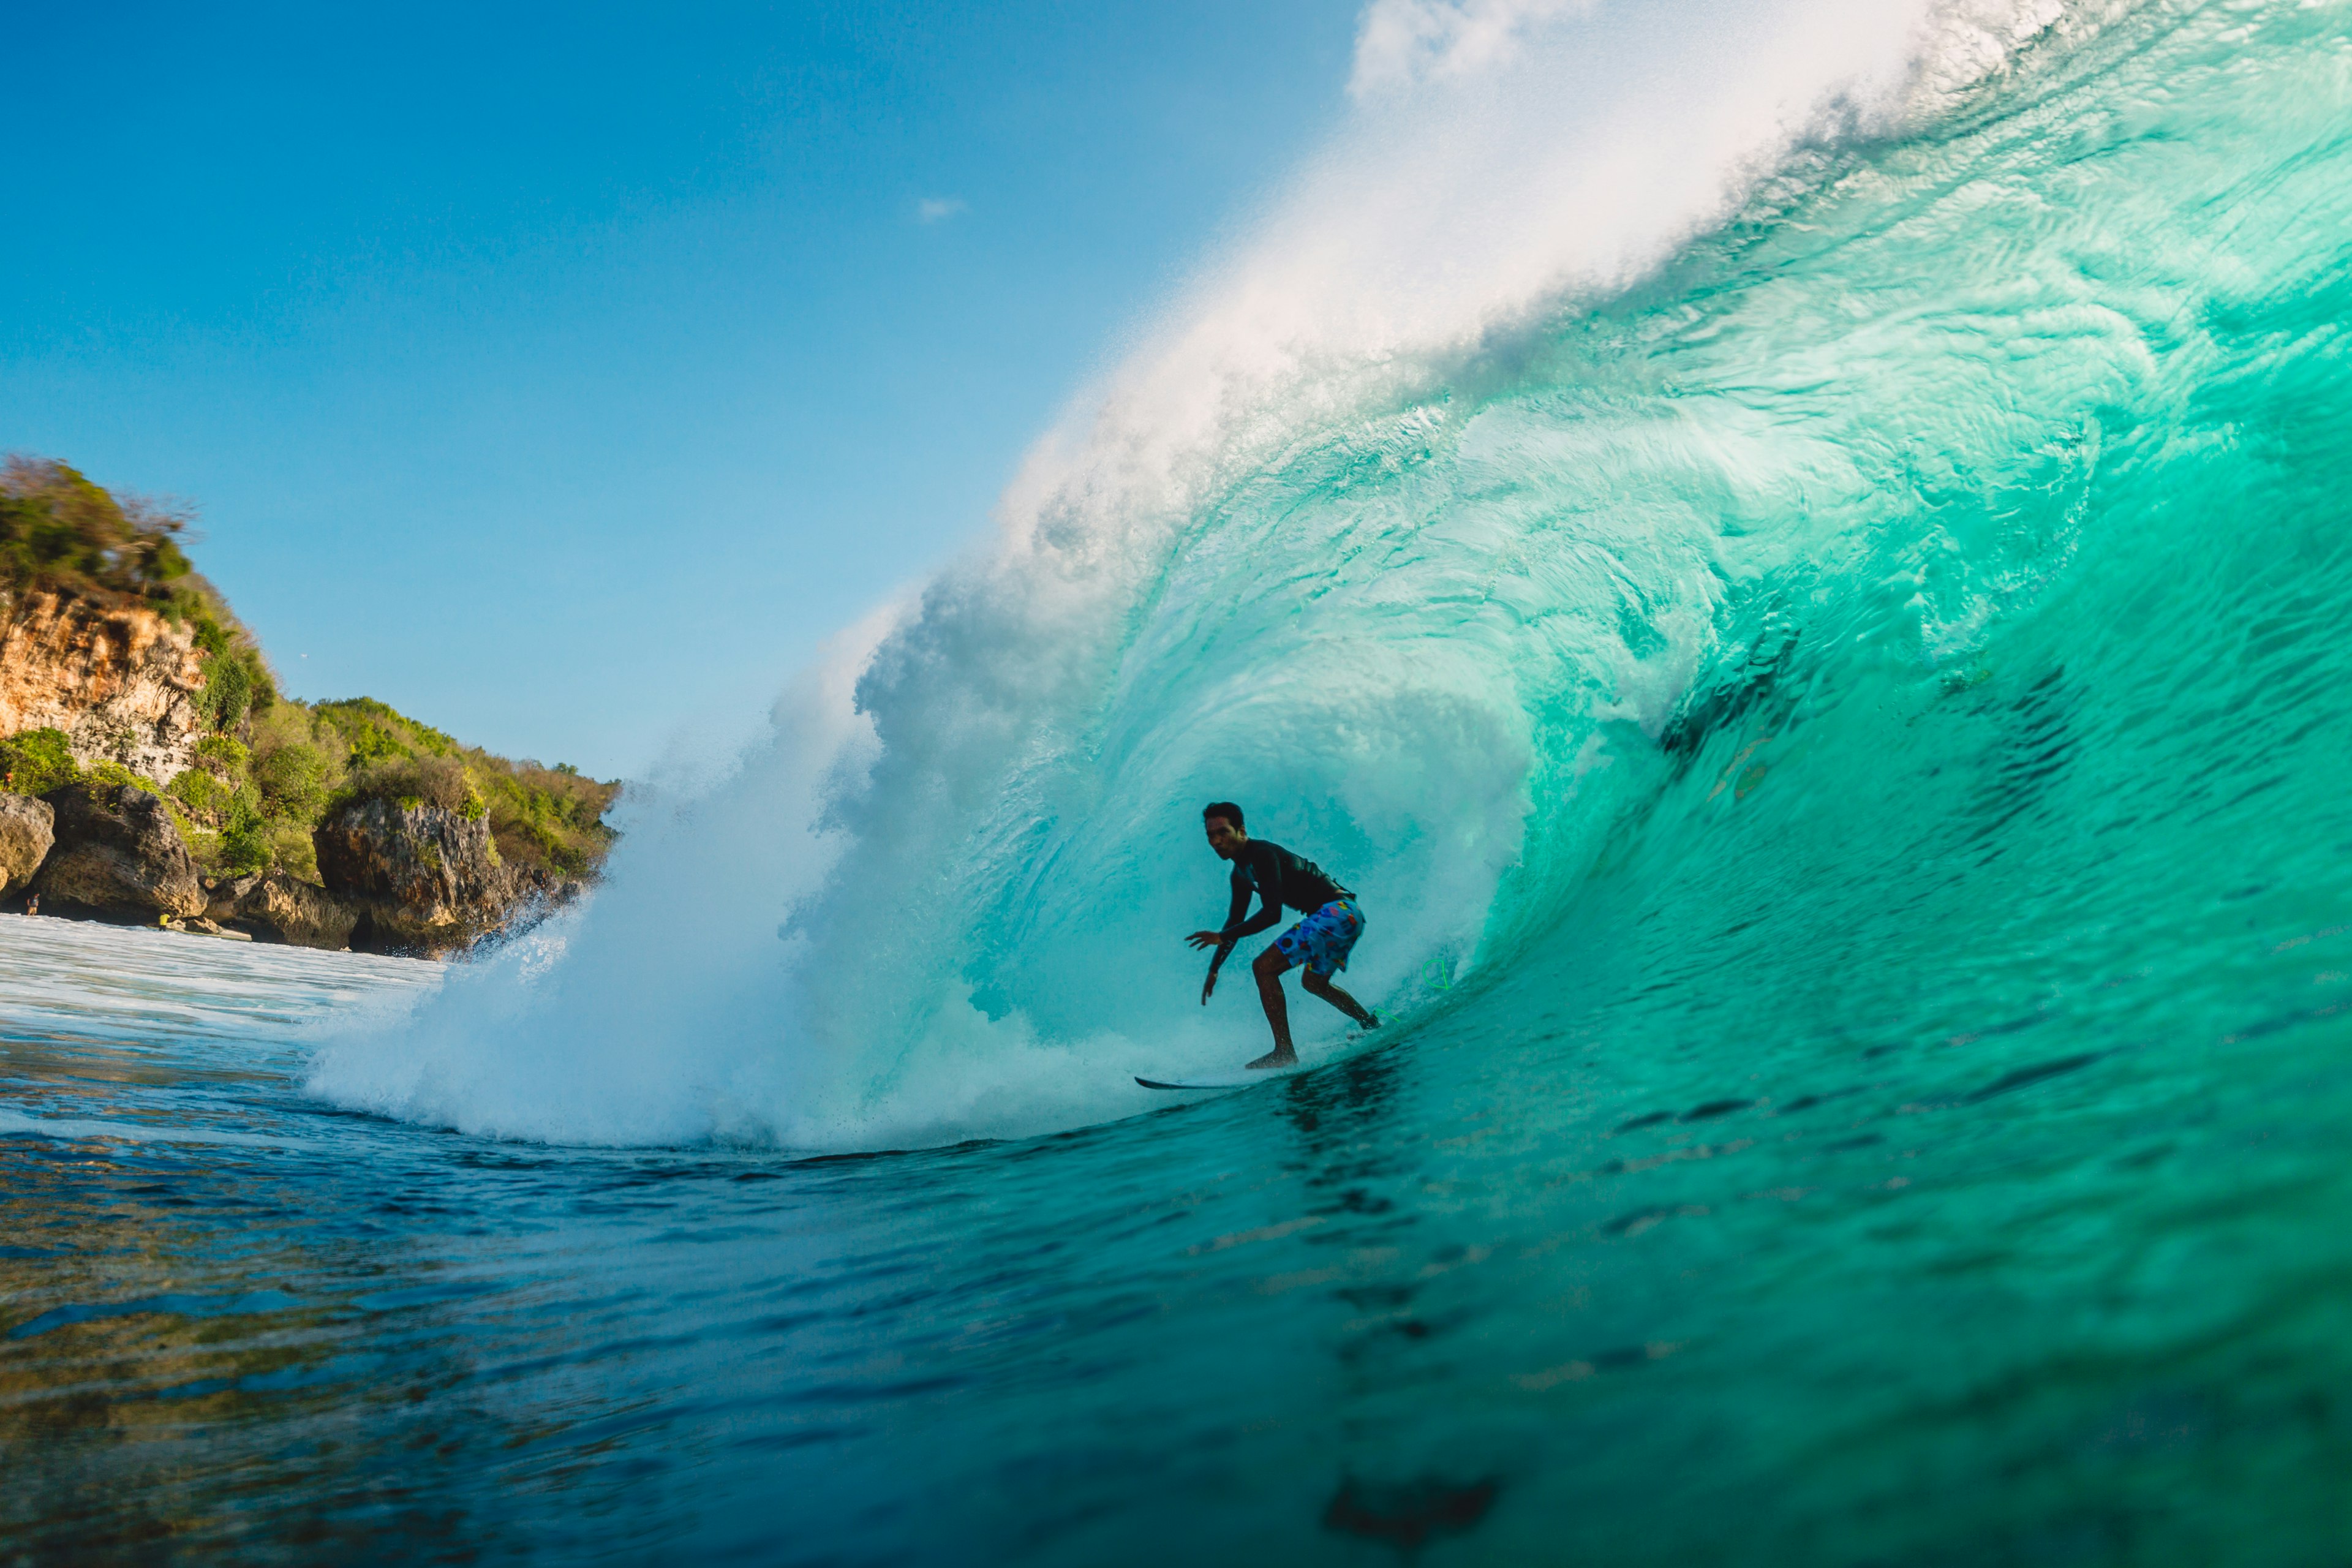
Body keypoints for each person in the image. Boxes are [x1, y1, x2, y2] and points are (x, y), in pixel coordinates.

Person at [1186, 801, 1377, 1069]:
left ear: (1241, 831)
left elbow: (1271, 913)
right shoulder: (1240, 874)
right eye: (1210, 836)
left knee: (1263, 967)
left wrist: (1221, 936)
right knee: (1313, 983)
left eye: (1223, 833)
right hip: (1347, 916)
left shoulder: (1262, 854)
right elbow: (1234, 922)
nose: (1216, 841)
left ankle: (1284, 1052)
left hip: (1336, 912)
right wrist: (1215, 968)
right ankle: (1371, 1024)